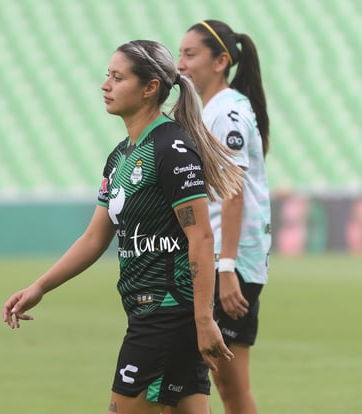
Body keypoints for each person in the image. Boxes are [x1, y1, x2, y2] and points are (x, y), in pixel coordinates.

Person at [3, 39, 244, 414]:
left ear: (150, 88)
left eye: (118, 78)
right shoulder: (120, 156)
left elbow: (201, 235)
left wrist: (202, 319)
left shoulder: (172, 148)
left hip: (167, 314)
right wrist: (40, 287)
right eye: (107, 76)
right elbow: (94, 237)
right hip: (153, 313)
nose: (106, 85)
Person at [171, 20, 272, 414]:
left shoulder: (226, 113)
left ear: (221, 61)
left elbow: (234, 193)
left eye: (190, 54)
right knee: (200, 381)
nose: (181, 63)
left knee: (228, 385)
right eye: (179, 53)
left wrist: (228, 268)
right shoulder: (210, 109)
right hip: (217, 260)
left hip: (231, 264)